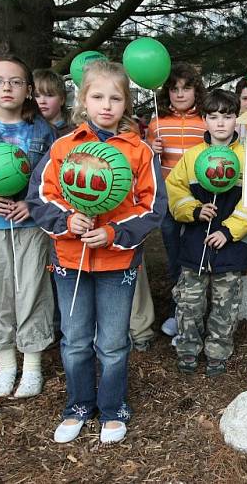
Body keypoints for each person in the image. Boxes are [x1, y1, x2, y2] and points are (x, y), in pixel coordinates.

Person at [28, 60, 165, 444]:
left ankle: (112, 408)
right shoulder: (64, 146)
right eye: (98, 96)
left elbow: (153, 207)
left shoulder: (139, 152)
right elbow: (40, 197)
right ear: (82, 100)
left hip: (117, 262)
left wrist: (113, 233)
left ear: (126, 103)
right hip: (70, 261)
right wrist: (68, 220)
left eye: (115, 98)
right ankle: (77, 406)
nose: (106, 105)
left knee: (112, 342)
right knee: (73, 340)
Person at [0, 55, 57, 398]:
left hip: (29, 225)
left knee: (32, 290)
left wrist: (31, 204)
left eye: (16, 81)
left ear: (28, 89)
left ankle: (32, 367)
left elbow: (53, 179)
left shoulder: (44, 130)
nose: (7, 87)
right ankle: (6, 366)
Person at [166, 89, 247, 376]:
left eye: (228, 116)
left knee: (225, 304)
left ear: (237, 119)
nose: (221, 123)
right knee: (189, 302)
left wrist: (229, 231)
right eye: (214, 116)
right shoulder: (192, 157)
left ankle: (218, 351)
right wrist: (194, 210)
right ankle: (187, 350)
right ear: (204, 119)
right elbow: (175, 191)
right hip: (195, 244)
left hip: (231, 247)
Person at [148, 63, 207, 340]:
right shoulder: (157, 123)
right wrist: (151, 149)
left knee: (194, 256)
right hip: (168, 203)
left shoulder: (205, 123)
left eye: (187, 88)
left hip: (197, 201)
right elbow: (146, 165)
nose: (180, 94)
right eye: (174, 89)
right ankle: (175, 311)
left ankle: (196, 312)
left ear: (197, 91)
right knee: (174, 258)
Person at [33, 68, 73, 136]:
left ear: (62, 99)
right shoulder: (23, 131)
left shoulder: (74, 132)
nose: (42, 101)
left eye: (49, 95)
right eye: (36, 96)